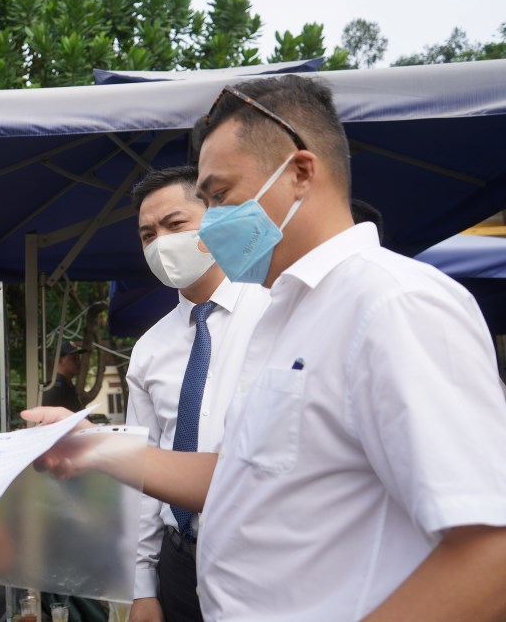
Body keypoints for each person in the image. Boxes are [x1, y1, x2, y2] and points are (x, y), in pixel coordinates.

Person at [26, 74, 506, 622]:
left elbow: (491, 550)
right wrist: (93, 446)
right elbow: (238, 474)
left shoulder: (394, 304)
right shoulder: (288, 312)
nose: (215, 221)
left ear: (300, 172)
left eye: (220, 196)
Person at [125, 166, 269, 622]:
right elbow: (143, 470)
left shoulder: (274, 313)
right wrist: (142, 587)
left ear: (215, 219)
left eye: (174, 224)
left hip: (261, 556)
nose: (160, 243)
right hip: (178, 562)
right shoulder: (149, 349)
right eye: (147, 234)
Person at [41, 340, 87, 412]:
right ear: (60, 360)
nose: (79, 363)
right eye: (74, 359)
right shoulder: (54, 388)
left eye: (78, 359)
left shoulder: (67, 386)